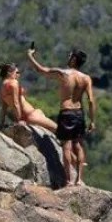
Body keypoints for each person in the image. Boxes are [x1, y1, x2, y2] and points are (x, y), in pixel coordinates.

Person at [26, 47, 96, 186]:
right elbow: (91, 100)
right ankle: (80, 179)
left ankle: (69, 180)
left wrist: (30, 56)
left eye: (70, 56)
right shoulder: (86, 78)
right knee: (78, 145)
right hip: (79, 113)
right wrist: (92, 120)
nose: (68, 58)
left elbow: (41, 70)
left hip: (67, 113)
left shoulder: (63, 74)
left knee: (67, 146)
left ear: (74, 59)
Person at [0, 62, 57, 132]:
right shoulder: (13, 83)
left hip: (29, 116)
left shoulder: (1, 89)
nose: (18, 75)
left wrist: (2, 123)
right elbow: (16, 103)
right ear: (9, 73)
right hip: (31, 115)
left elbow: (4, 108)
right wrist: (19, 120)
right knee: (60, 130)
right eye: (16, 72)